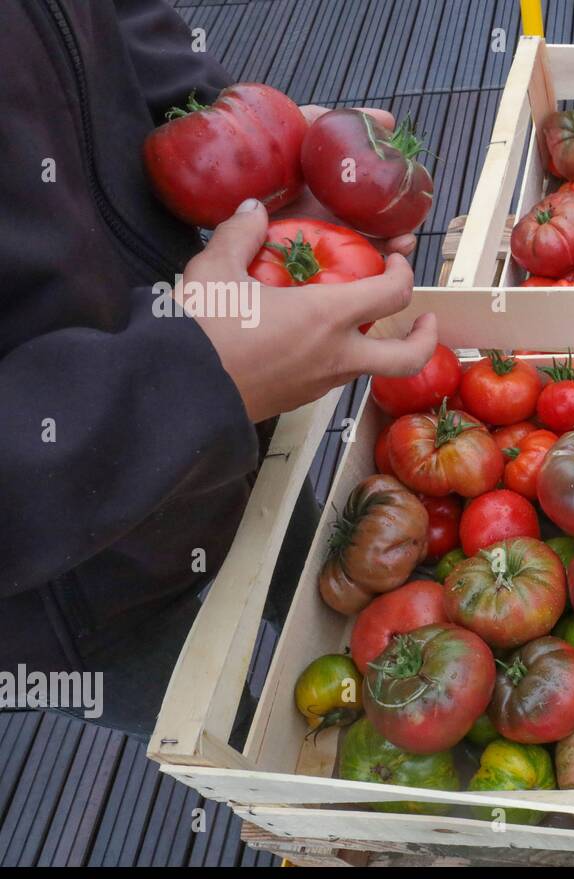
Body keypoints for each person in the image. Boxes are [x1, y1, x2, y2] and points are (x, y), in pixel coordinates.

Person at [0, 0, 438, 733]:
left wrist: (235, 136)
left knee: (308, 552)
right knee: (225, 735)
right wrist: (188, 382)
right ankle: (274, 764)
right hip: (67, 592)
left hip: (225, 364)